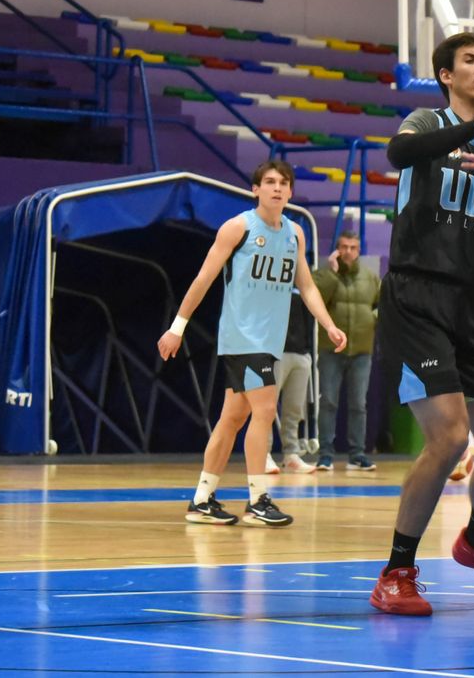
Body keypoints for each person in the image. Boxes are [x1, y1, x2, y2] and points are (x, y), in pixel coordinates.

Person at [368, 33, 474, 616]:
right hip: (415, 295)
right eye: (471, 61)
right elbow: (397, 155)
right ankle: (397, 571)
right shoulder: (427, 121)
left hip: (472, 303)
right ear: (445, 74)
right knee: (447, 437)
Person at [158, 161, 347, 528]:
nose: (277, 188)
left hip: (268, 340)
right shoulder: (239, 227)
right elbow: (203, 278)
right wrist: (177, 327)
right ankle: (258, 500)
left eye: (283, 183)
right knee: (264, 411)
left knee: (233, 417)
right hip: (242, 336)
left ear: (291, 192)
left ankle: (202, 499)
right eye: (270, 182)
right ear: (256, 190)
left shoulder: (295, 233)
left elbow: (306, 285)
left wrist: (328, 324)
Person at [312, 229, 381, 472]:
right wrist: (331, 273)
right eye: (343, 247)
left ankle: (357, 454)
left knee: (358, 404)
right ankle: (325, 455)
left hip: (362, 350)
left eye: (352, 247)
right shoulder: (325, 275)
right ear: (337, 249)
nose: (348, 252)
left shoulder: (371, 277)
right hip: (331, 350)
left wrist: (372, 318)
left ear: (358, 250)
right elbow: (316, 298)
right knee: (328, 402)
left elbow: (383, 305)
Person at [268, 294, 318, 474]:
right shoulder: (269, 284)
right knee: (266, 407)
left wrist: (307, 353)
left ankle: (291, 454)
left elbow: (311, 319)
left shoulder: (303, 286)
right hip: (274, 352)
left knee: (294, 408)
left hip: (301, 354)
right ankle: (263, 454)